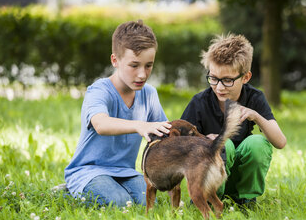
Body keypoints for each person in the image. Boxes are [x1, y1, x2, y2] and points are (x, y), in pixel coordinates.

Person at [64, 20, 171, 207]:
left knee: (149, 203)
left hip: (125, 172)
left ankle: (111, 190)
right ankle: (71, 190)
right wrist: (140, 125)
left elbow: (165, 134)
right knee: (119, 202)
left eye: (148, 65)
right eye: (134, 65)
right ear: (115, 60)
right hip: (89, 171)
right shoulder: (99, 90)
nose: (142, 75)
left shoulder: (149, 94)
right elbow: (101, 124)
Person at [181, 33, 286, 205]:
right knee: (224, 144)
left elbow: (280, 142)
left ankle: (246, 200)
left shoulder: (254, 98)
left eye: (228, 80)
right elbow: (179, 144)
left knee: (258, 143)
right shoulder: (199, 102)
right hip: (210, 179)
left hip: (237, 178)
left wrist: (256, 116)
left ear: (246, 77)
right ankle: (207, 201)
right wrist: (204, 141)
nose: (219, 87)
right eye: (213, 78)